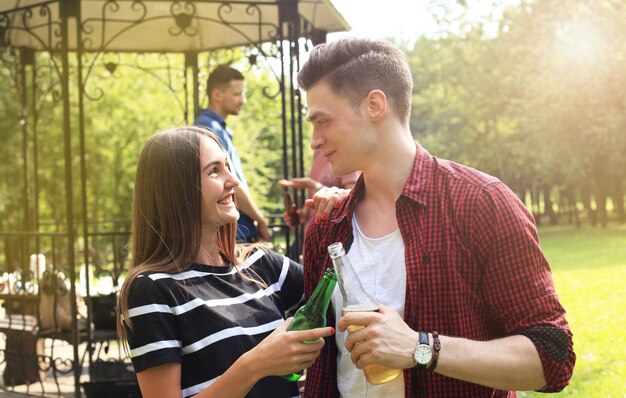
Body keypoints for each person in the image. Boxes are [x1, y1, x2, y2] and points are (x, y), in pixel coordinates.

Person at [297, 37, 575, 397]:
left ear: (374, 105)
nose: (314, 140)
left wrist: (420, 348)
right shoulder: (326, 226)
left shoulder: (481, 204)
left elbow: (552, 358)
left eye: (323, 121)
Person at [117, 126, 336, 398]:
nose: (233, 181)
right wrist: (256, 365)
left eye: (228, 166)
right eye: (214, 171)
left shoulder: (262, 265)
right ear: (178, 189)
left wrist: (340, 210)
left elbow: (342, 295)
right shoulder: (152, 289)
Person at [195, 65, 269, 243]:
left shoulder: (216, 128)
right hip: (234, 234)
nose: (243, 100)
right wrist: (261, 220)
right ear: (217, 95)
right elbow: (231, 183)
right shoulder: (209, 129)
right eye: (237, 94)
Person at [278, 149, 360, 231]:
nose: (313, 144)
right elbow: (312, 201)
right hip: (311, 235)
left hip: (332, 234)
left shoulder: (345, 152)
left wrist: (313, 185)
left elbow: (352, 197)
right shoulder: (318, 153)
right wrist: (302, 215)